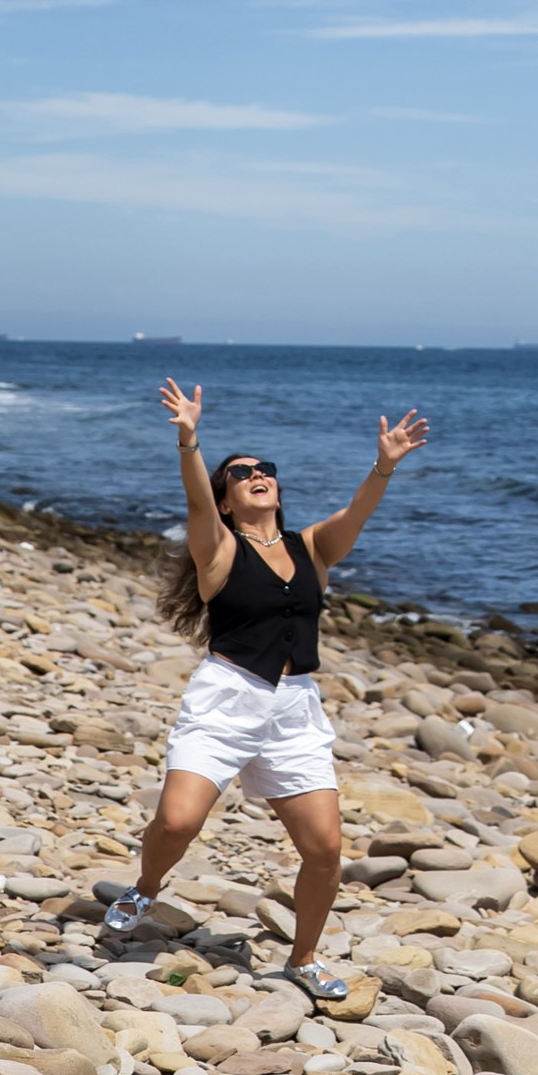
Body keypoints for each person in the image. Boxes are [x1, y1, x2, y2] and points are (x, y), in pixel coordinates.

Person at [100, 379, 429, 990]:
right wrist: (190, 441)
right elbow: (197, 502)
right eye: (242, 472)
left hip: (294, 709)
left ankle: (302, 959)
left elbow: (356, 513)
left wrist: (383, 466)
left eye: (266, 469)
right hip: (227, 696)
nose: (258, 474)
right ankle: (145, 887)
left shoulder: (313, 548)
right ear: (227, 499)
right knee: (176, 822)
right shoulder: (218, 551)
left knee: (326, 849)